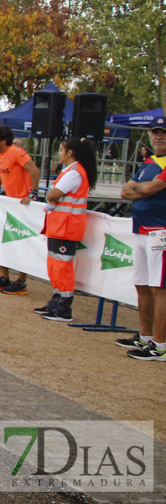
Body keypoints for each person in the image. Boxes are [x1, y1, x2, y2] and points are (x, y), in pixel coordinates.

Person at [118, 117, 166, 360]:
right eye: (155, 132)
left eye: (163, 133)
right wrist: (141, 188)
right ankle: (146, 336)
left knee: (160, 288)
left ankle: (160, 344)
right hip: (141, 229)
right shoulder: (149, 162)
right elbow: (124, 191)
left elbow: (145, 189)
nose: (158, 136)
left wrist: (139, 188)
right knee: (142, 283)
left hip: (160, 232)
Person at [35, 138, 97, 321]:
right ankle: (56, 301)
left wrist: (51, 195)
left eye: (61, 150)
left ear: (70, 152)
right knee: (55, 265)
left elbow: (53, 194)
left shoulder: (75, 172)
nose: (59, 153)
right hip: (60, 225)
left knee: (62, 267)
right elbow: (54, 194)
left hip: (67, 226)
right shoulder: (70, 171)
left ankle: (63, 308)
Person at [0, 125, 41, 295]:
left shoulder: (16, 152)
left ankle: (21, 282)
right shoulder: (0, 154)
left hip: (23, 204)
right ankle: (4, 278)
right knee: (4, 240)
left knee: (22, 243)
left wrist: (33, 195)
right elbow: (1, 172)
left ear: (4, 140)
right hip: (9, 203)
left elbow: (35, 171)